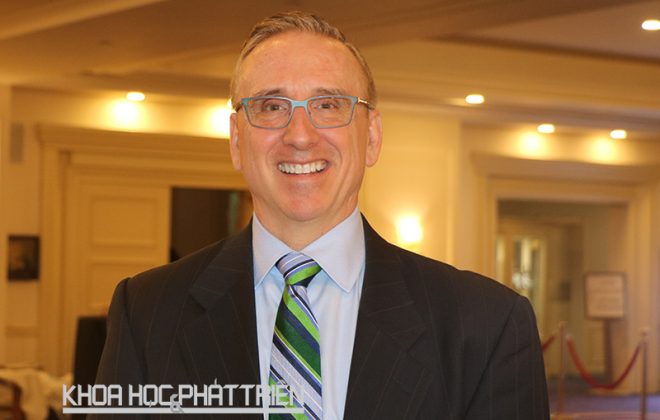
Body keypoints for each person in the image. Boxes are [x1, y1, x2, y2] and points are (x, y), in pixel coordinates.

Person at [94, 11, 549, 419]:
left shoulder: (485, 325)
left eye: (328, 105)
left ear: (372, 138)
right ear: (236, 140)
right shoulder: (148, 313)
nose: (300, 135)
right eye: (272, 106)